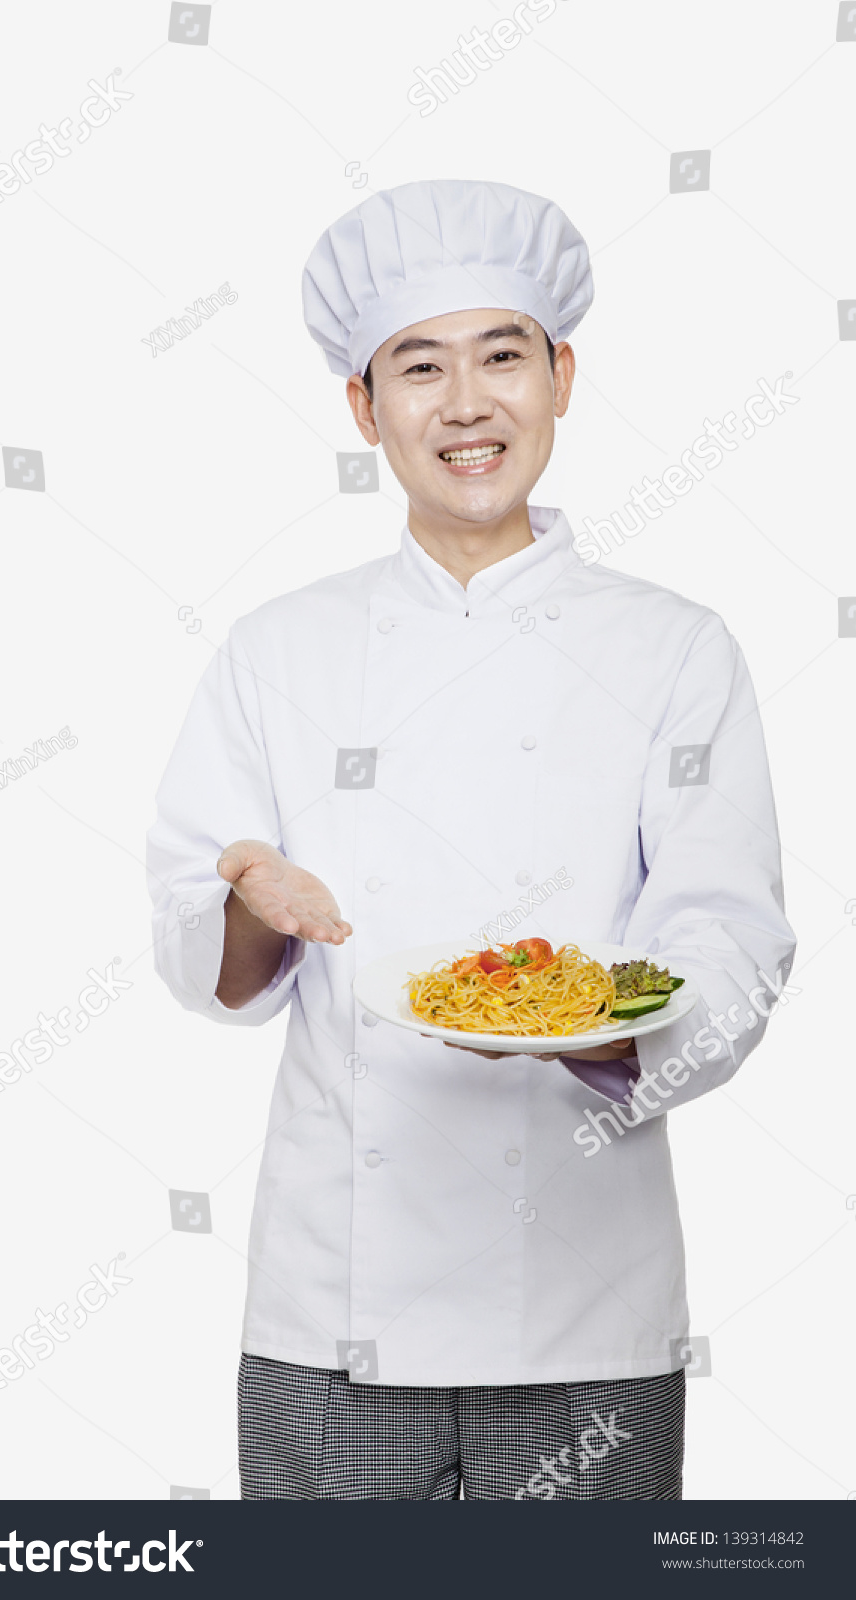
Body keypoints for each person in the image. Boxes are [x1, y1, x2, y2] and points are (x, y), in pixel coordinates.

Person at [146, 180, 796, 1501]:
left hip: (583, 1296)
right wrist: (250, 898)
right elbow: (197, 940)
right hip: (331, 1296)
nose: (463, 404)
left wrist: (589, 1023)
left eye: (500, 356)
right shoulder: (279, 649)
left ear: (559, 376)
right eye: (416, 366)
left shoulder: (673, 646)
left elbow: (730, 937)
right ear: (360, 406)